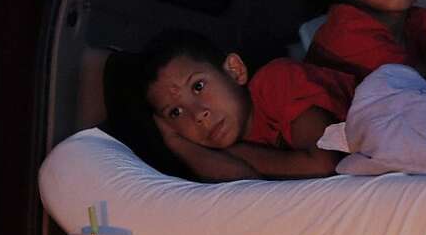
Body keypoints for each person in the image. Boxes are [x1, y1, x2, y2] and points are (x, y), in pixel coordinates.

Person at [121, 29, 349, 182]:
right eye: (175, 112)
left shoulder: (277, 81)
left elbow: (324, 166)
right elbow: (244, 190)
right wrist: (177, 143)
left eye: (198, 86)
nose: (198, 115)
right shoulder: (206, 156)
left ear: (234, 71)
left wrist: (228, 153)